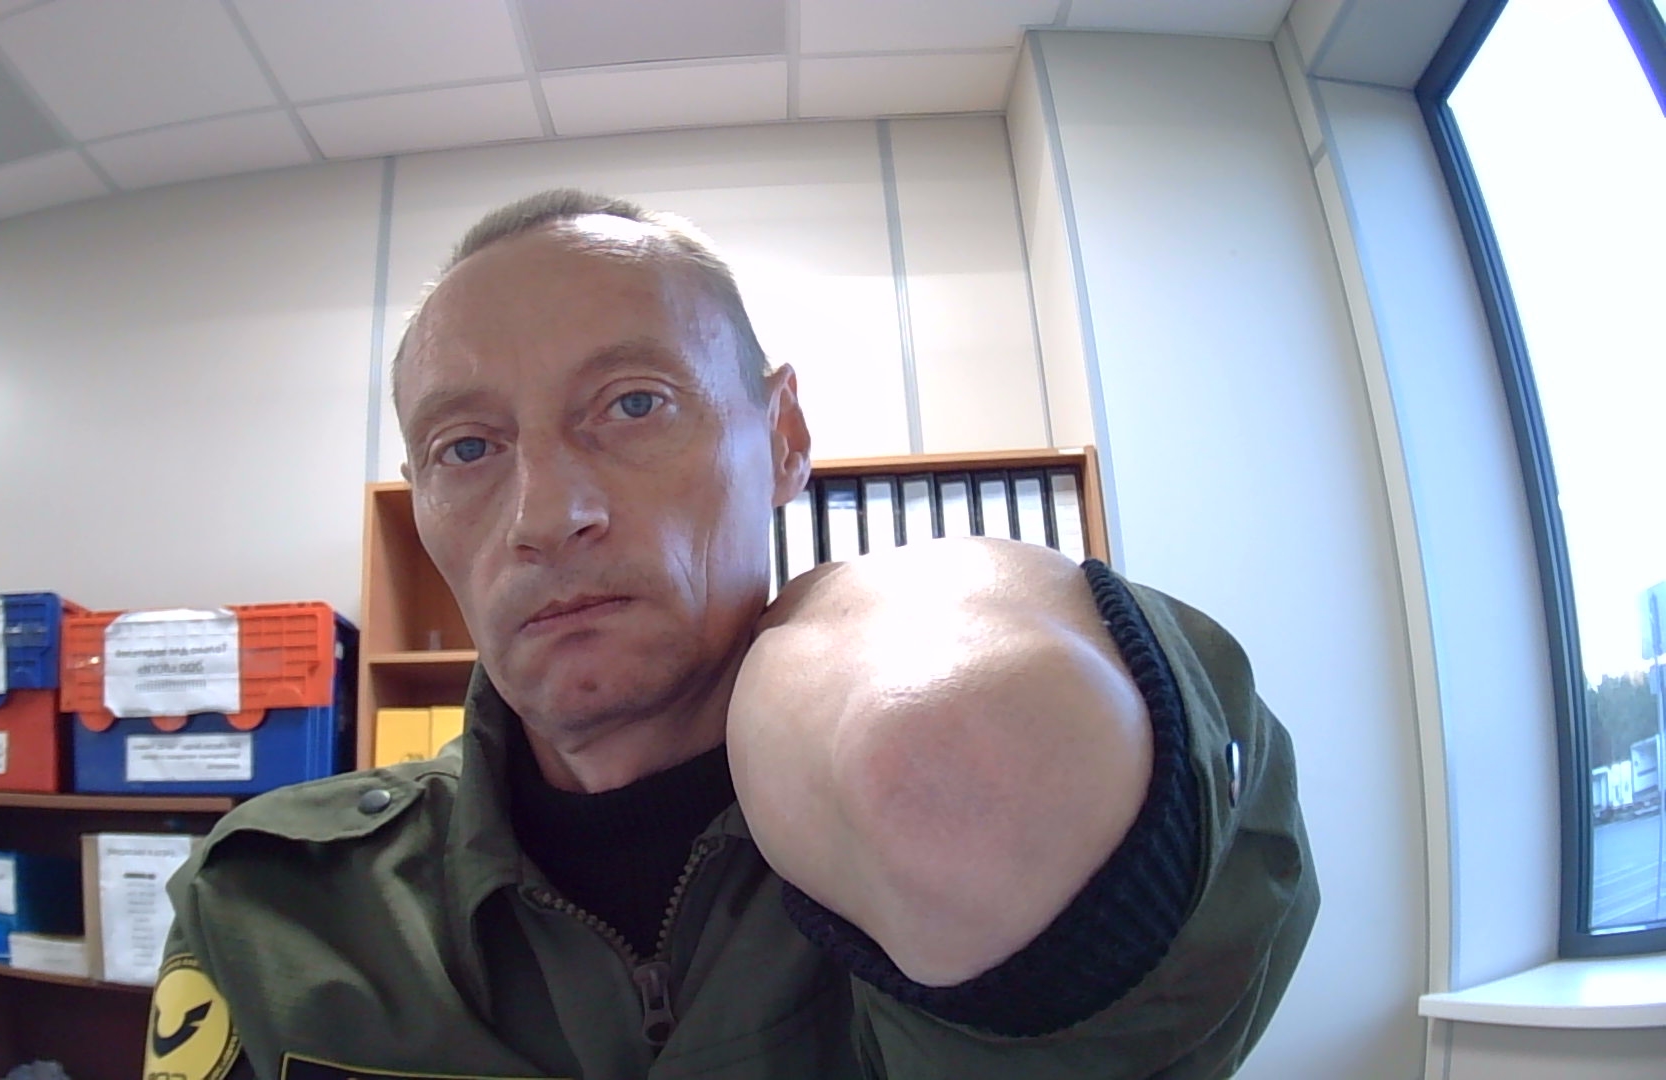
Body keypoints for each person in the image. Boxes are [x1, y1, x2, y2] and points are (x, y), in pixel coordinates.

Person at [142, 190, 1318, 1080]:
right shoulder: (278, 906)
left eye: (633, 404)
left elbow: (983, 785)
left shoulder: (949, 818)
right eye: (468, 449)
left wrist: (861, 665)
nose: (546, 515)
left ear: (785, 436)